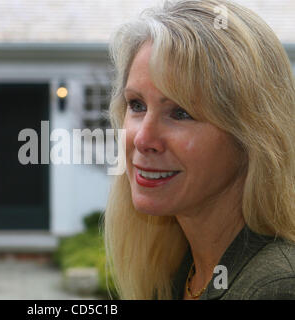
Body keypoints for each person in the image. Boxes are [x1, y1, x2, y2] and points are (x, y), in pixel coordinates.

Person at [103, 0, 295, 300]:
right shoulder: (177, 269)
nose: (143, 139)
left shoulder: (275, 287)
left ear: (251, 136)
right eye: (137, 105)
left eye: (180, 113)